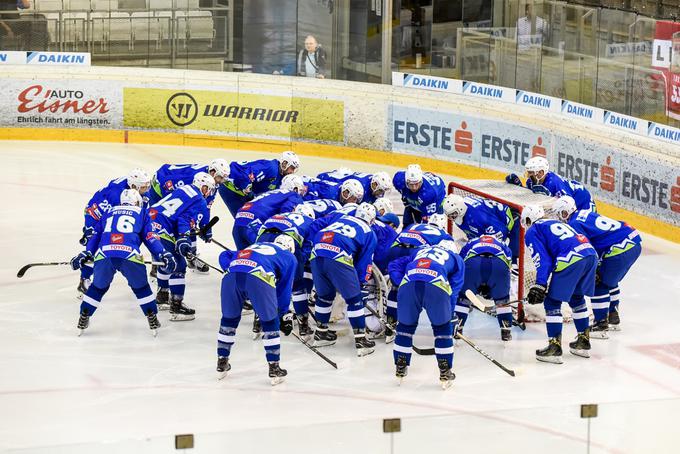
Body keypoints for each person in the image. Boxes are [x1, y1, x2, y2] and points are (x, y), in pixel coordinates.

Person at [70, 189, 176, 336]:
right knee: (142, 288)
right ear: (137, 202)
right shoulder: (142, 213)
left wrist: (87, 252)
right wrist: (163, 253)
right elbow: (151, 237)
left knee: (97, 288)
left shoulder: (109, 212)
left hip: (104, 254)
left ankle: (84, 315)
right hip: (129, 255)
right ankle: (151, 316)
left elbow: (95, 236)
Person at [553, 196, 642, 336]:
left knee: (598, 283)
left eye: (561, 213)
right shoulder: (583, 213)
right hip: (633, 241)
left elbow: (587, 248)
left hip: (620, 248)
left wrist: (593, 270)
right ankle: (613, 316)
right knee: (609, 281)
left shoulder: (574, 224)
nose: (561, 217)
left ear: (566, 212)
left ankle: (601, 325)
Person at [521, 205, 598, 364]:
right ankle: (583, 342)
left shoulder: (533, 231)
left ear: (528, 220)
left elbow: (543, 261)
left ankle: (554, 348)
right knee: (576, 297)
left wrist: (540, 285)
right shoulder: (558, 223)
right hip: (590, 254)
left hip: (572, 258)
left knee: (552, 302)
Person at [216, 236, 297, 385]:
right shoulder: (289, 257)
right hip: (259, 276)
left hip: (231, 276)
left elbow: (224, 256)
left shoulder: (254, 246)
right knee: (270, 322)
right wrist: (283, 314)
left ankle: (222, 362)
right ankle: (274, 367)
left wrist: (232, 268)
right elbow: (284, 289)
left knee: (229, 320)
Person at [387, 240, 464, 389]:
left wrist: (399, 281)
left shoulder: (419, 251)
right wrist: (450, 314)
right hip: (436, 285)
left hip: (408, 284)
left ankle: (400, 366)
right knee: (442, 329)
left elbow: (394, 264)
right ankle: (445, 370)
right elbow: (455, 288)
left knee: (404, 328)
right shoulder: (456, 258)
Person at [310, 202, 377, 356]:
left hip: (317, 252)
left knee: (325, 297)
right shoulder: (369, 232)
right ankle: (361, 341)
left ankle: (321, 334)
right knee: (354, 299)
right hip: (338, 255)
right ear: (372, 220)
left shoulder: (340, 219)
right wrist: (360, 284)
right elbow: (364, 263)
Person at [149, 172, 215, 321]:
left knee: (166, 259)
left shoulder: (185, 188)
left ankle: (162, 295)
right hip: (163, 227)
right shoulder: (200, 200)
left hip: (150, 220)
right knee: (178, 264)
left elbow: (180, 213)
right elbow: (185, 219)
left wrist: (199, 230)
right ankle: (176, 306)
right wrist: (184, 238)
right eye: (208, 189)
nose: (208, 192)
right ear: (203, 187)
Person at [147, 160, 230, 275]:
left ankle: (191, 257)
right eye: (220, 177)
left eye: (223, 178)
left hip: (172, 186)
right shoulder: (192, 178)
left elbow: (204, 208)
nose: (221, 182)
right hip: (162, 183)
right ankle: (158, 260)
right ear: (212, 171)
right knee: (165, 226)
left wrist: (206, 229)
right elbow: (175, 202)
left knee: (189, 219)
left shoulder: (209, 182)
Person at [78, 168, 152, 295]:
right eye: (144, 187)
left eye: (147, 186)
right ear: (134, 186)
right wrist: (90, 230)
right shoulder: (117, 195)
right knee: (94, 245)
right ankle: (84, 279)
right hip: (95, 214)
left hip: (109, 211)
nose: (147, 190)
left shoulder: (136, 190)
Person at [256, 204, 316, 338]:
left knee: (265, 280)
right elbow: (308, 248)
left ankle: (258, 321)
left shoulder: (281, 215)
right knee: (297, 285)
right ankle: (303, 324)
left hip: (263, 239)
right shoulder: (311, 223)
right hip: (288, 241)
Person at [456, 235, 514, 341]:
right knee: (503, 299)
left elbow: (461, 262)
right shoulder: (502, 244)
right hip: (499, 264)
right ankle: (506, 331)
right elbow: (509, 265)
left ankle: (457, 328)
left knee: (463, 297)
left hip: (473, 263)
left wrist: (477, 283)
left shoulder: (472, 241)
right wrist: (492, 288)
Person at [231, 174, 305, 250]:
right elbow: (286, 211)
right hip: (255, 223)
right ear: (295, 188)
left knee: (242, 258)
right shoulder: (294, 195)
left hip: (239, 219)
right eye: (300, 189)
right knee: (263, 256)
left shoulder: (272, 193)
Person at [218, 151, 300, 217]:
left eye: (294, 169)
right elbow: (246, 175)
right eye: (292, 168)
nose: (292, 172)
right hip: (231, 187)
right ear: (284, 164)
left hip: (242, 189)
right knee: (244, 218)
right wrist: (250, 193)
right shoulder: (271, 168)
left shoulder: (282, 177)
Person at [442, 193, 520, 262]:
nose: (452, 217)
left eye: (454, 214)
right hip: (490, 219)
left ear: (460, 208)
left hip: (508, 218)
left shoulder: (480, 217)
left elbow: (501, 232)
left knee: (505, 250)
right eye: (450, 216)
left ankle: (513, 264)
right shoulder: (461, 213)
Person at [506, 156, 595, 212]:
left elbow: (568, 203)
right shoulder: (531, 181)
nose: (528, 175)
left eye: (531, 172)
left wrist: (551, 201)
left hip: (583, 202)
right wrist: (519, 187)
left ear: (540, 172)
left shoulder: (554, 183)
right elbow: (532, 199)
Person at [393, 164, 445, 228]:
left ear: (421, 181)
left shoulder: (429, 194)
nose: (414, 188)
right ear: (406, 181)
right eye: (411, 185)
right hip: (417, 200)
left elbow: (427, 224)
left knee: (433, 227)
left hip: (435, 201)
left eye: (417, 184)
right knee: (407, 226)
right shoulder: (399, 181)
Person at [317, 168, 393, 203]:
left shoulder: (372, 186)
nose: (381, 194)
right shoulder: (361, 186)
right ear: (374, 184)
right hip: (328, 182)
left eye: (383, 191)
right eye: (380, 190)